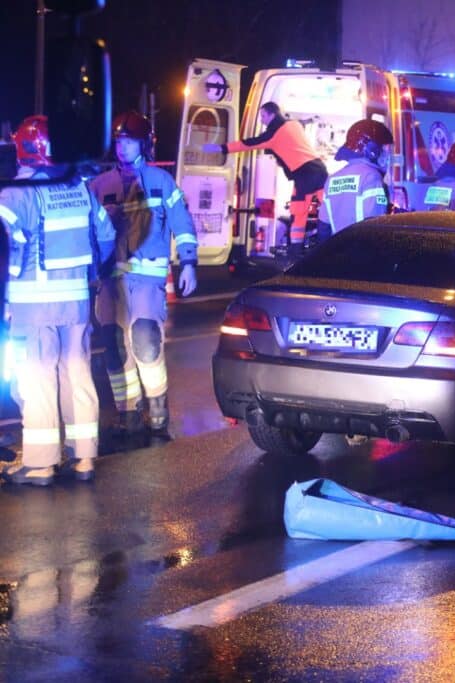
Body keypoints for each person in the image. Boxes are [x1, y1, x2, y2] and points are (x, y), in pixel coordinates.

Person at [0, 115, 115, 485]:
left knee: (37, 380)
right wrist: (91, 273)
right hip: (77, 302)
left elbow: (8, 245)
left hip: (33, 305)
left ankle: (41, 464)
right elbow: (106, 235)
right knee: (77, 373)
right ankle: (84, 458)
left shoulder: (17, 194)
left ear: (25, 150)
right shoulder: (80, 189)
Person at [90, 111, 199, 436]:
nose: (122, 147)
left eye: (130, 141)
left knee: (145, 338)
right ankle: (128, 410)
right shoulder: (100, 185)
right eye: (119, 141)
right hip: (110, 281)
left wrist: (188, 263)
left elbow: (181, 222)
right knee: (113, 344)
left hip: (147, 279)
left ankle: (157, 407)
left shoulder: (160, 181)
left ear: (144, 145)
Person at [203, 102, 327, 257]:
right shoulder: (294, 124)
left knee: (298, 212)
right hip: (320, 170)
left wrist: (222, 148)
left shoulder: (273, 134)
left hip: (303, 175)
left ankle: (296, 250)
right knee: (328, 209)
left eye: (263, 116)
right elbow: (297, 133)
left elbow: (248, 144)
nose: (261, 120)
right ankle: (332, 242)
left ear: (272, 115)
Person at [318, 119, 393, 235]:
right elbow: (377, 223)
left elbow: (324, 225)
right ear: (372, 149)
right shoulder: (372, 177)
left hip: (338, 245)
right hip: (363, 245)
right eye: (385, 149)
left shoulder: (332, 179)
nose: (387, 155)